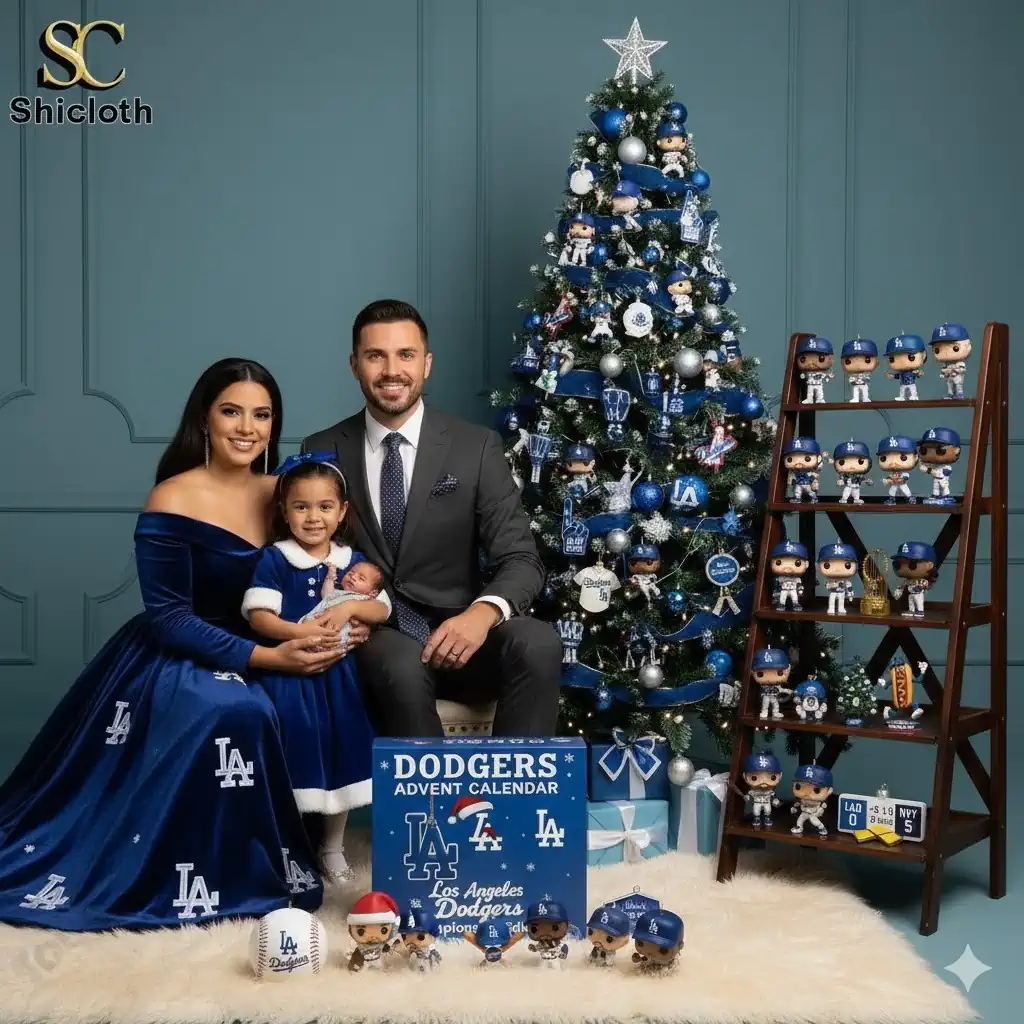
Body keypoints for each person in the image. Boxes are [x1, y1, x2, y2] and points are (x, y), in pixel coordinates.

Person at [0, 359, 353, 931]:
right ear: (204, 419)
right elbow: (167, 616)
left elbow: (332, 572)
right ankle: (211, 875)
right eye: (231, 411)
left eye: (261, 414)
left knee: (324, 694)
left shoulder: (289, 493)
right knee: (235, 709)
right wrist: (265, 658)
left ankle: (313, 845)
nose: (247, 427)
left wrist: (343, 622)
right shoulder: (172, 496)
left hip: (276, 637)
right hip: (186, 650)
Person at [302, 299, 561, 737]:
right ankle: (433, 806)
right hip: (377, 638)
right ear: (354, 365)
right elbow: (303, 553)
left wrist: (481, 615)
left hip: (464, 639)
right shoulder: (322, 448)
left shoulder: (475, 447)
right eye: (374, 356)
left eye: (405, 354)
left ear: (427, 364)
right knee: (400, 663)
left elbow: (521, 559)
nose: (391, 370)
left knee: (538, 642)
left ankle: (511, 802)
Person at [243, 452, 388, 879]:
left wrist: (348, 612)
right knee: (296, 751)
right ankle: (288, 850)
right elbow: (259, 616)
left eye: (325, 507)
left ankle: (332, 847)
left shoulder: (352, 563)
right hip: (291, 678)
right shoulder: (276, 559)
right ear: (285, 512)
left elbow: (380, 610)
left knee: (343, 750)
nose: (313, 518)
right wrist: (298, 633)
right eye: (301, 507)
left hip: (341, 680)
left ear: (342, 512)